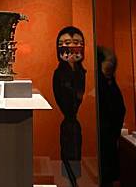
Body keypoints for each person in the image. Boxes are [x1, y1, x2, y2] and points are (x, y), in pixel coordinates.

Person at [52, 26, 86, 183]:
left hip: (73, 123)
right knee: (68, 151)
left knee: (75, 152)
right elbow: (64, 97)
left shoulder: (80, 72)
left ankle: (73, 179)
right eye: (66, 43)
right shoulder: (59, 74)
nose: (71, 47)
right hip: (69, 122)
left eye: (76, 43)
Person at [97, 46, 126, 187]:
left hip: (107, 132)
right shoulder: (105, 84)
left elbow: (119, 110)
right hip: (106, 131)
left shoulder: (107, 84)